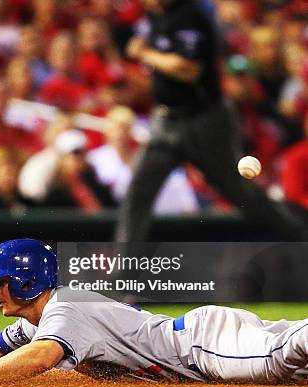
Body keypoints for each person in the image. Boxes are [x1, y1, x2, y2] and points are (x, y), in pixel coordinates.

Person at [0, 239, 308, 385]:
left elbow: (41, 358)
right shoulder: (44, 314)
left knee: (281, 356)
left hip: (203, 348)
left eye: (1, 281)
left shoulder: (65, 311)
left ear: (28, 279)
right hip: (201, 340)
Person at [115, 0, 306, 242]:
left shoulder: (191, 16)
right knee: (137, 195)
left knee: (243, 195)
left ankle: (300, 236)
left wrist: (144, 52)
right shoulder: (156, 16)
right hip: (165, 121)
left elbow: (188, 69)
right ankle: (122, 275)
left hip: (203, 122)